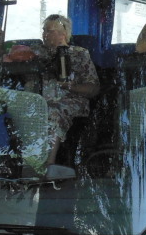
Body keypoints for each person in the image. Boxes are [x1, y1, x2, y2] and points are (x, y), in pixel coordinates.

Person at [25, 14, 99, 176]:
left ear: (63, 34)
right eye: (44, 31)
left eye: (50, 31)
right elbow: (10, 56)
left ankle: (48, 166)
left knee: (51, 112)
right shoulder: (35, 53)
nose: (45, 35)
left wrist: (72, 87)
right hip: (36, 100)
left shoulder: (80, 54)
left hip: (69, 100)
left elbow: (93, 88)